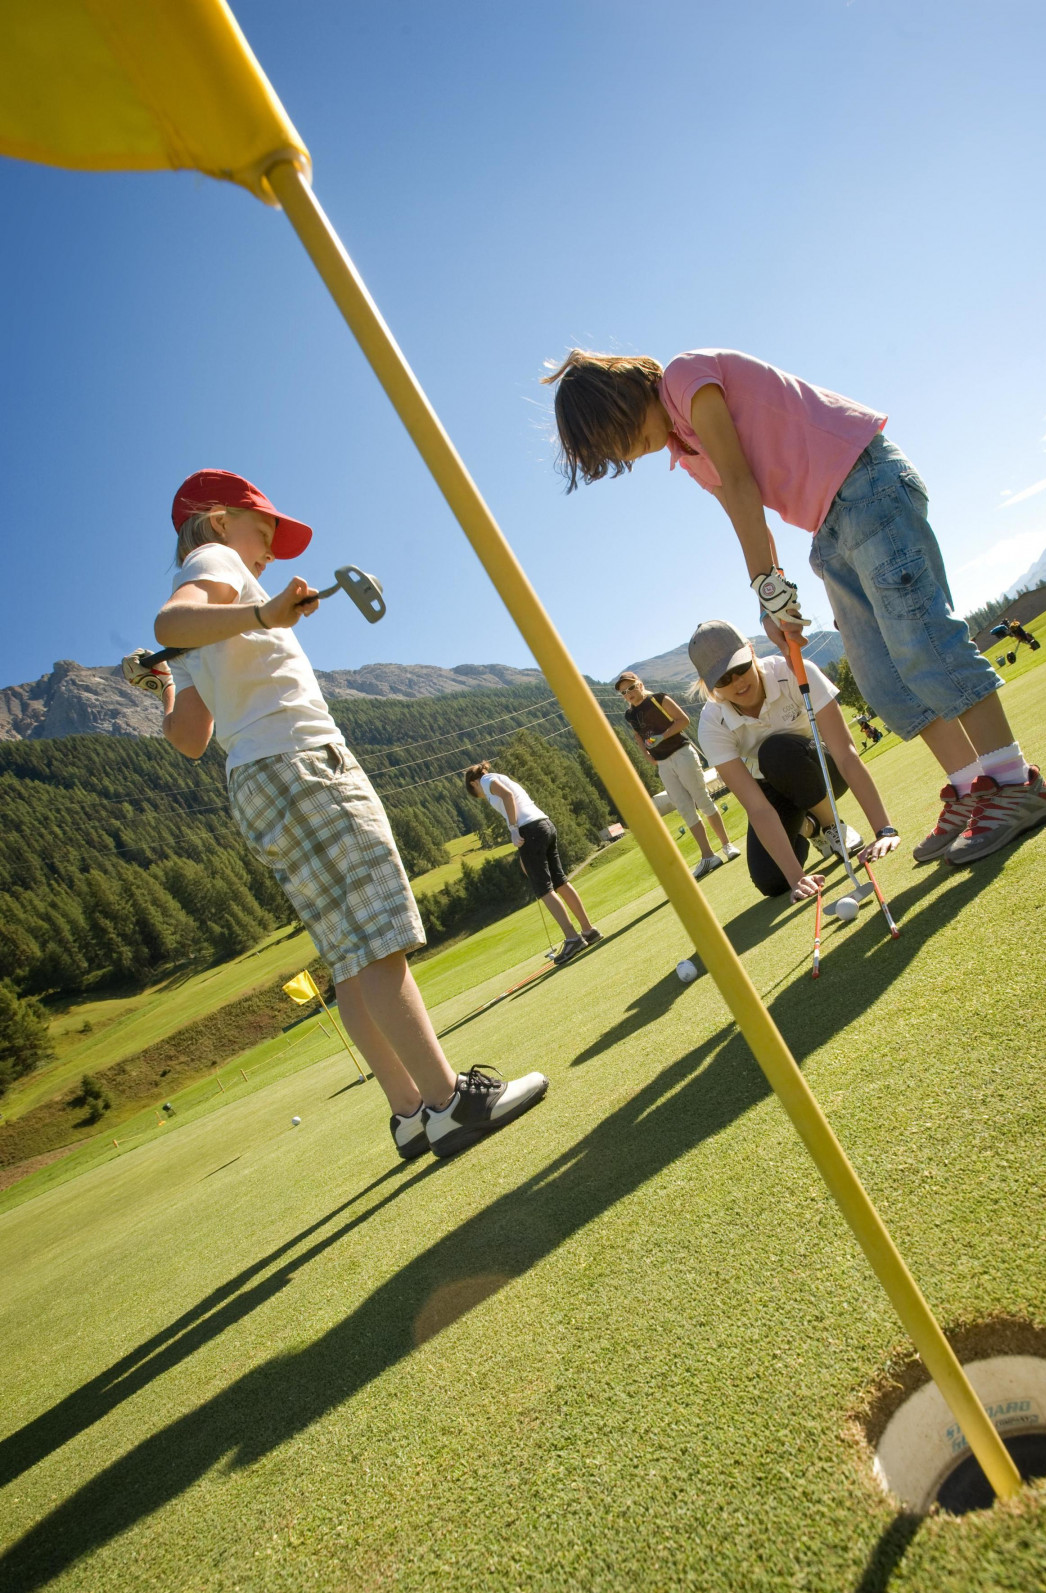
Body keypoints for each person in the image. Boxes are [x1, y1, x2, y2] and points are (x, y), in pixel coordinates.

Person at [127, 467, 548, 1163]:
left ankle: (410, 1113)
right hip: (300, 761)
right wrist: (263, 613)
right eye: (263, 529)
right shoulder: (216, 561)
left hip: (258, 778)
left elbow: (189, 739)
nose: (268, 549)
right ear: (217, 518)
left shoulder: (212, 617)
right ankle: (451, 1101)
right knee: (378, 940)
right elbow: (169, 622)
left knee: (351, 956)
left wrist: (167, 682)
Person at [543, 349, 1046, 866]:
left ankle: (1014, 782)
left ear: (623, 399)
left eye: (616, 437)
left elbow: (744, 485)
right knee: (883, 675)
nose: (627, 454)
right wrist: (775, 601)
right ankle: (972, 788)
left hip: (866, 484)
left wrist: (770, 591)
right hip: (828, 525)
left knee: (922, 641)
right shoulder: (686, 452)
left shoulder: (684, 379)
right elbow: (745, 515)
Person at [688, 621, 901, 903]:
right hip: (772, 787)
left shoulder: (794, 671)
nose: (737, 682)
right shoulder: (711, 723)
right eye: (723, 680)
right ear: (708, 684)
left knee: (776, 752)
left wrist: (884, 830)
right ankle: (810, 826)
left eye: (740, 669)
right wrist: (797, 878)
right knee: (772, 881)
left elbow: (846, 753)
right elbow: (757, 806)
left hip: (822, 767)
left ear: (751, 652)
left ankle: (831, 825)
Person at [465, 761, 601, 965]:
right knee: (560, 882)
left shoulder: (486, 781)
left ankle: (573, 938)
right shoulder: (502, 777)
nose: (481, 797)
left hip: (530, 830)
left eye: (477, 794)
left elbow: (507, 797)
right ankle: (588, 931)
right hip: (543, 824)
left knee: (544, 889)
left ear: (473, 783)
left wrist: (512, 828)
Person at [613, 670, 739, 877]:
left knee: (702, 800)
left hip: (682, 754)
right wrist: (646, 755)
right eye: (624, 692)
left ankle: (727, 846)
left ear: (640, 685)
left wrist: (663, 736)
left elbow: (683, 720)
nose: (628, 694)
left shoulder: (658, 699)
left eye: (631, 688)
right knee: (685, 809)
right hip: (663, 764)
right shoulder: (630, 715)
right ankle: (708, 856)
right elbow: (637, 736)